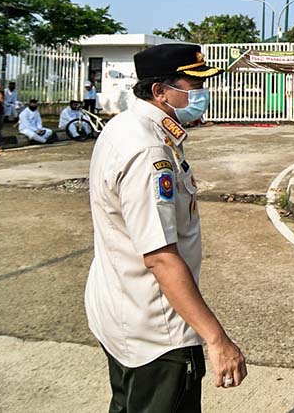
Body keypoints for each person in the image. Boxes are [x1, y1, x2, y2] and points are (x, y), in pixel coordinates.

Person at [85, 43, 246, 412]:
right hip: (157, 331)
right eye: (192, 86)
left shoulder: (126, 127)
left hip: (121, 310)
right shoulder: (149, 151)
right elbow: (160, 257)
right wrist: (217, 339)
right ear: (160, 92)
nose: (202, 94)